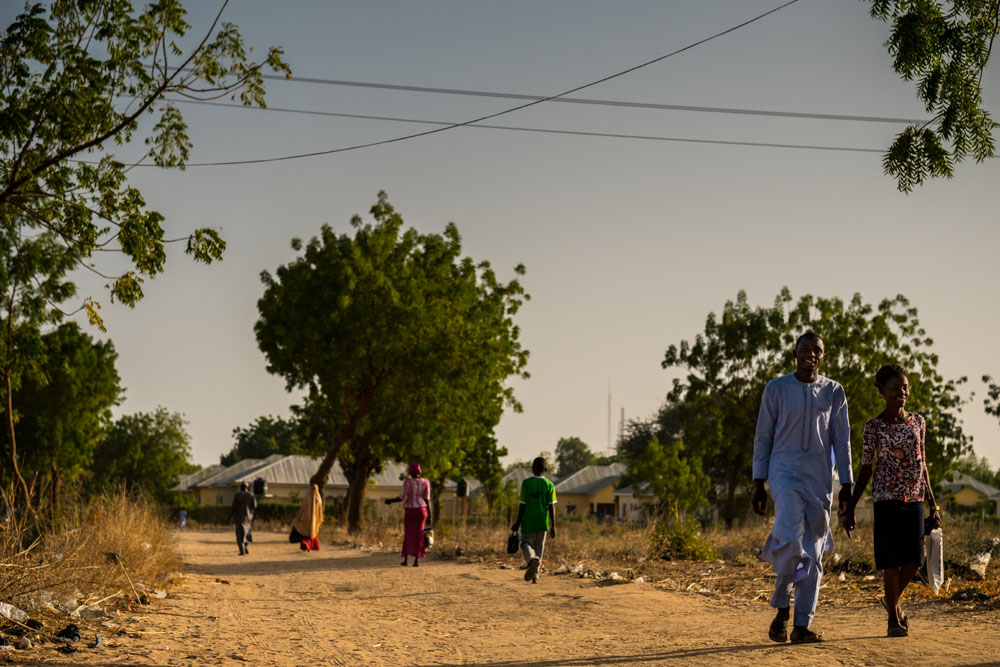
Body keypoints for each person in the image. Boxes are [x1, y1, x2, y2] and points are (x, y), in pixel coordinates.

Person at [752, 332, 853, 643]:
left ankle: (801, 624)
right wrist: (759, 481)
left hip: (819, 479)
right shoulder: (777, 388)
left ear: (823, 356)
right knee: (790, 537)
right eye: (805, 348)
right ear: (795, 353)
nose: (811, 354)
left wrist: (847, 483)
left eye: (817, 350)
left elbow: (842, 440)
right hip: (783, 472)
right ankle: (782, 605)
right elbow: (764, 436)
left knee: (814, 550)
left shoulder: (834, 392)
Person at [844, 364, 941, 637]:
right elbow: (865, 468)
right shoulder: (873, 427)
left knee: (914, 561)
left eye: (905, 387)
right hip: (885, 499)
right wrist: (851, 506)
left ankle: (891, 601)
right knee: (891, 562)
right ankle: (892, 621)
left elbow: (923, 465)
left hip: (914, 497)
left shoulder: (919, 422)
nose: (903, 392)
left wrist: (933, 503)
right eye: (896, 388)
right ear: (882, 392)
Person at [510, 456, 557, 584]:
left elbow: (522, 505)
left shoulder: (526, 483)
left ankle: (531, 559)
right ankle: (536, 577)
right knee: (539, 548)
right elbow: (552, 506)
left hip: (528, 521)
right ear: (546, 469)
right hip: (542, 522)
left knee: (525, 544)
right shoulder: (549, 485)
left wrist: (517, 522)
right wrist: (553, 525)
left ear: (532, 469)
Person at [384, 462, 432, 566]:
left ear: (410, 471)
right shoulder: (425, 482)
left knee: (409, 534)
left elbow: (402, 498)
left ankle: (405, 560)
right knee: (419, 535)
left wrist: (390, 501)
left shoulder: (407, 482)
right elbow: (427, 499)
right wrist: (430, 515)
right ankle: (416, 561)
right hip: (421, 511)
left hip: (410, 510)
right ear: (420, 471)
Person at [291, 483, 323, 551]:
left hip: (315, 520)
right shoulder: (307, 497)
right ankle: (306, 546)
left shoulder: (318, 498)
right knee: (306, 533)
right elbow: (303, 507)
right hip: (306, 519)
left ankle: (311, 546)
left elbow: (320, 510)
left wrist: (319, 518)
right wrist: (300, 516)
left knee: (312, 533)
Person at [231, 481, 257, 556]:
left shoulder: (237, 495)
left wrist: (230, 517)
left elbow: (233, 507)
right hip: (248, 518)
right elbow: (255, 506)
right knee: (247, 534)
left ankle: (242, 550)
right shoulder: (251, 495)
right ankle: (245, 548)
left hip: (239, 517)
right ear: (247, 488)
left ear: (240, 487)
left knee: (240, 535)